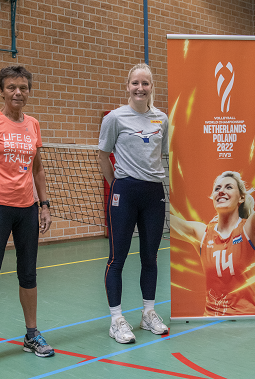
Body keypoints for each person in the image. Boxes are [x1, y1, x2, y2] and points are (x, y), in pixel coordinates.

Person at [0, 66, 54, 372]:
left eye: (23, 87)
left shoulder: (33, 124)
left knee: (28, 275)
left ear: (29, 90)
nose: (18, 92)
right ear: (2, 90)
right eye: (11, 87)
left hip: (27, 209)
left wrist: (44, 205)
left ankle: (32, 335)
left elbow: (38, 169)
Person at [98, 63, 169, 344]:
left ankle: (148, 313)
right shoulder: (115, 118)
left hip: (154, 194)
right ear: (127, 86)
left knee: (150, 257)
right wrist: (117, 184)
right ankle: (116, 319)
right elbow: (104, 157)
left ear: (152, 87)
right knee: (118, 258)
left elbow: (161, 156)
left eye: (146, 83)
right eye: (135, 83)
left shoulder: (162, 119)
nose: (140, 88)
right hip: (124, 192)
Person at [171, 171, 255, 316]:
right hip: (211, 319)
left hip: (250, 318)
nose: (221, 191)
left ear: (241, 197)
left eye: (229, 187)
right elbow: (166, 221)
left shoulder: (249, 229)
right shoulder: (203, 234)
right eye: (217, 189)